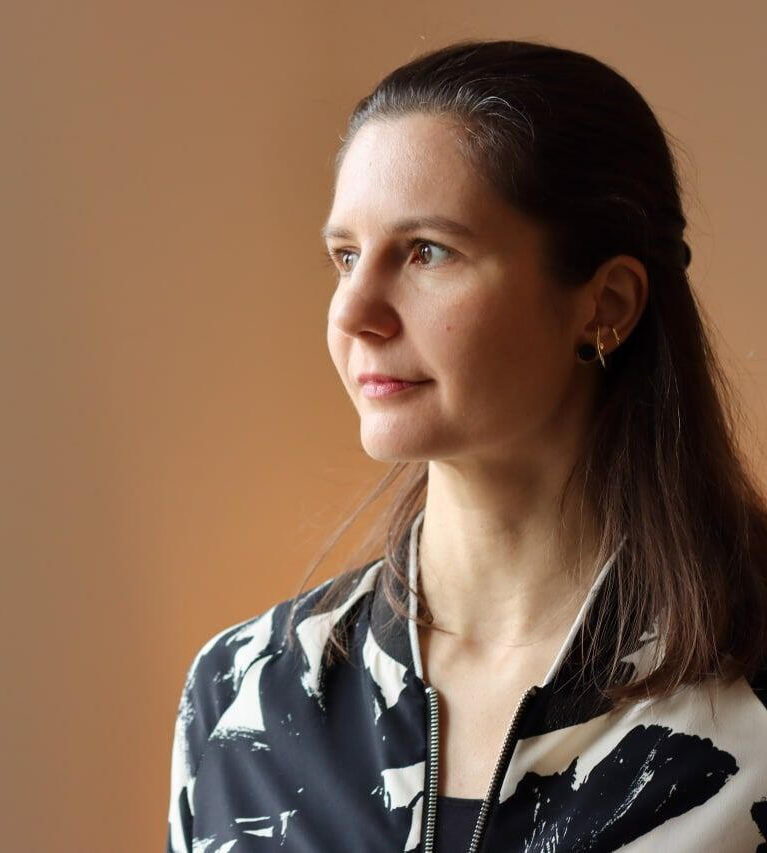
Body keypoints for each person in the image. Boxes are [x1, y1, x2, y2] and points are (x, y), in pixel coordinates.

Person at [165, 38, 767, 853]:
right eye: (346, 257)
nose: (353, 312)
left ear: (607, 304)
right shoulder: (243, 694)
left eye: (427, 251)